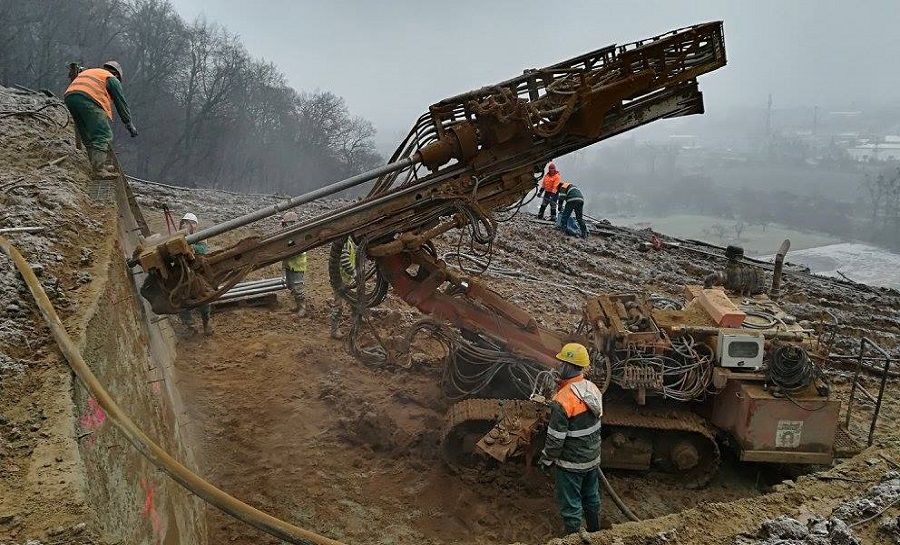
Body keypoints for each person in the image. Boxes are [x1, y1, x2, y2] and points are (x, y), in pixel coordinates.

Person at [540, 342, 603, 535]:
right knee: (591, 497)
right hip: (592, 459)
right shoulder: (592, 388)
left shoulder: (562, 400)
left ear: (568, 366)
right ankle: (596, 533)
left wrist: (546, 460)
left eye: (561, 363)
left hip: (571, 464)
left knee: (571, 505)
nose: (558, 366)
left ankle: (572, 537)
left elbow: (555, 440)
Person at [64, 61, 138, 178]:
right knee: (102, 134)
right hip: (89, 99)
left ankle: (95, 164)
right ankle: (99, 169)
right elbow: (121, 103)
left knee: (87, 136)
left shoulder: (91, 72)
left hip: (70, 97)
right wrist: (128, 123)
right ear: (116, 74)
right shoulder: (111, 78)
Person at [177, 213, 212, 336]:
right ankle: (190, 327)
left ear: (194, 225)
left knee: (203, 298)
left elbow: (202, 250)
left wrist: (189, 245)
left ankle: (206, 324)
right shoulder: (177, 237)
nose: (186, 225)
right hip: (181, 274)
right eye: (184, 223)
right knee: (179, 300)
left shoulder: (200, 238)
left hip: (197, 274)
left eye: (189, 223)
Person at [280, 211, 308, 316]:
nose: (284, 226)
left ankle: (302, 308)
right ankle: (298, 305)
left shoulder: (299, 234)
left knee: (298, 287)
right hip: (289, 264)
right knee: (290, 285)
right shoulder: (289, 235)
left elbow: (295, 248)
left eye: (285, 224)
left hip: (297, 265)